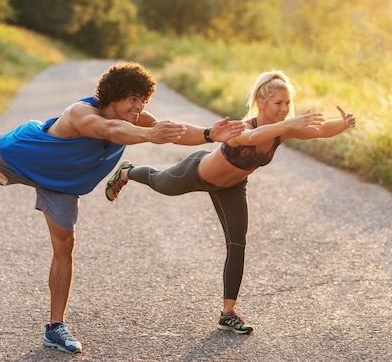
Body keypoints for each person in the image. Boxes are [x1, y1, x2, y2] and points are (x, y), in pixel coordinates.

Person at [0, 61, 244, 354]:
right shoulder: (81, 113)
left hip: (62, 185)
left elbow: (172, 133)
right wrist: (148, 135)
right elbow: (110, 130)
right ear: (114, 95)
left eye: (143, 100)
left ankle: (55, 328)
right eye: (133, 99)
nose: (139, 106)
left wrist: (208, 134)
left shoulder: (138, 118)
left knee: (65, 246)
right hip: (28, 152)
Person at [105, 70, 357, 335]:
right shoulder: (243, 127)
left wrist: (343, 124)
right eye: (278, 103)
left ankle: (228, 313)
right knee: (159, 182)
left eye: (286, 103)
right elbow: (249, 139)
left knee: (237, 244)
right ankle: (127, 172)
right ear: (261, 102)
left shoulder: (281, 132)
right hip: (196, 172)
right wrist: (290, 125)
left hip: (232, 187)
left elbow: (320, 129)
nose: (284, 109)